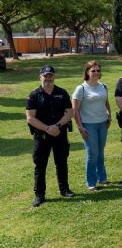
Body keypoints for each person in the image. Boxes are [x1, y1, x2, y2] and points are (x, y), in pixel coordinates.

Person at [26, 66, 75, 207]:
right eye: (45, 76)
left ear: (54, 77)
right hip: (41, 136)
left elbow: (69, 112)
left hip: (60, 134)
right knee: (40, 166)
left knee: (61, 162)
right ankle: (39, 195)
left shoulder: (62, 93)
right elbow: (30, 118)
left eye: (50, 76)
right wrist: (47, 128)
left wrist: (57, 126)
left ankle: (64, 189)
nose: (48, 78)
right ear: (40, 77)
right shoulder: (34, 95)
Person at [72, 60, 112, 191]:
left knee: (100, 152)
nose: (96, 73)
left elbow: (106, 102)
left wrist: (109, 116)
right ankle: (91, 182)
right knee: (92, 153)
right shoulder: (81, 88)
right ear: (87, 72)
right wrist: (80, 126)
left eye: (98, 70)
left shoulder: (103, 86)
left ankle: (103, 178)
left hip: (102, 123)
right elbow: (75, 110)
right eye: (93, 70)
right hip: (88, 125)